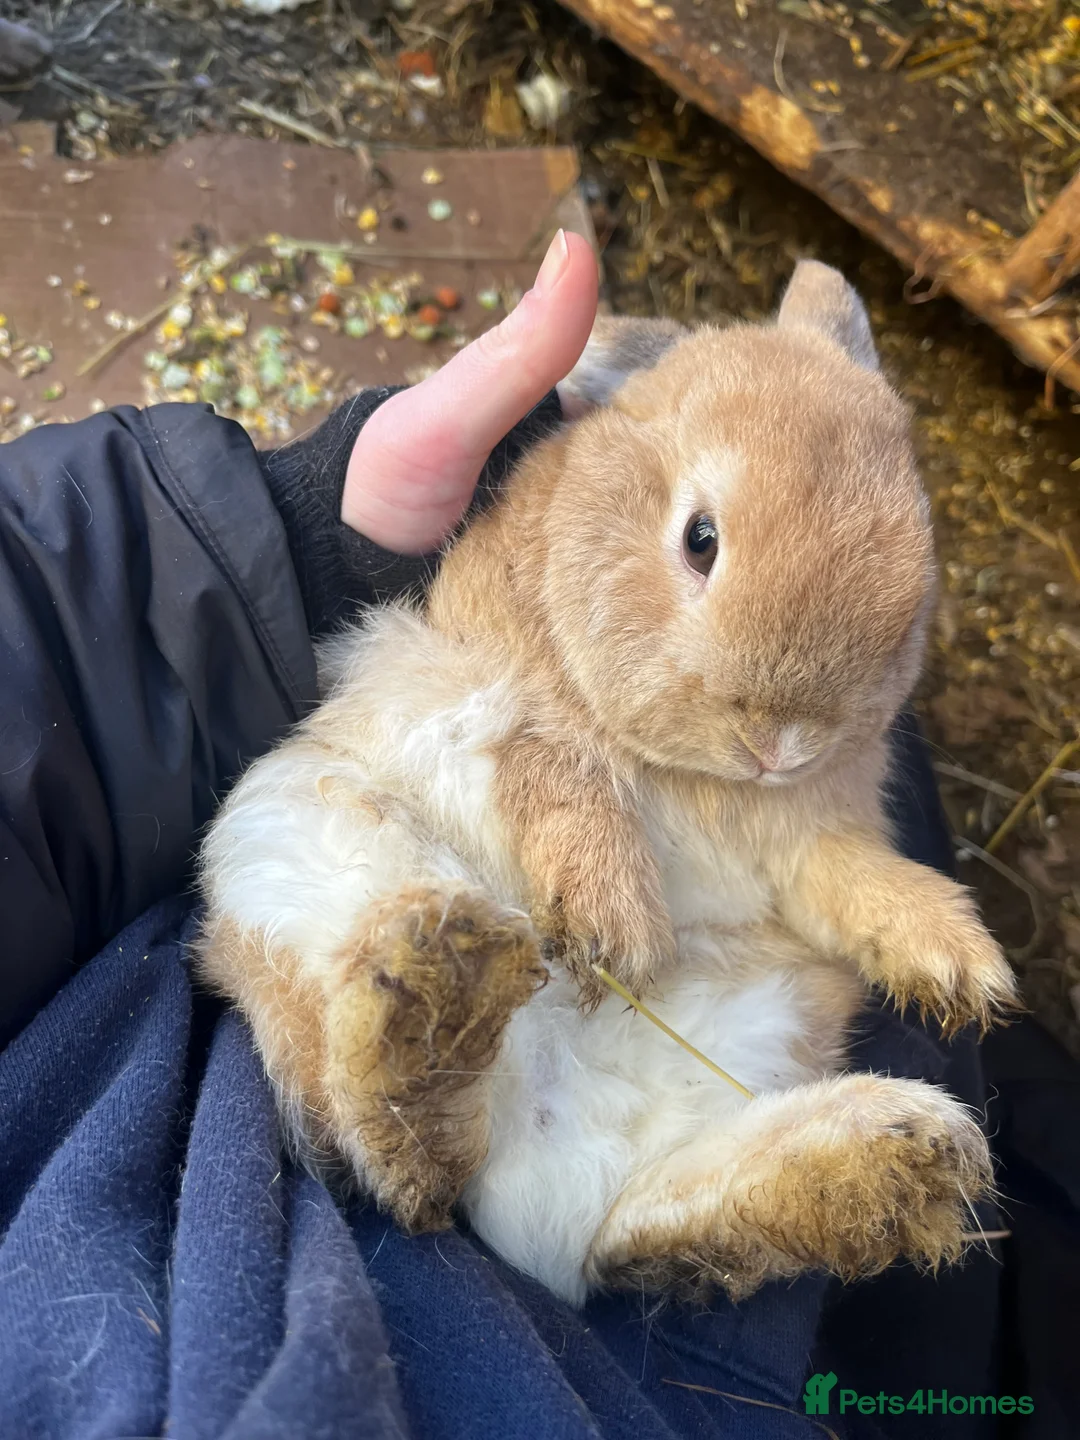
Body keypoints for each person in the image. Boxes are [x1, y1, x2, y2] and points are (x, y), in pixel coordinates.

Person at [0, 232, 1004, 1439]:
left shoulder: (814, 720)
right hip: (441, 887)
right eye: (701, 544)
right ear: (633, 455)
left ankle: (674, 1185)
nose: (779, 741)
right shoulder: (554, 524)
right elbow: (485, 674)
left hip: (628, 1041)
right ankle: (399, 1071)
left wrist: (896, 901)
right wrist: (557, 786)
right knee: (312, 811)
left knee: (809, 976)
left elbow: (815, 849)